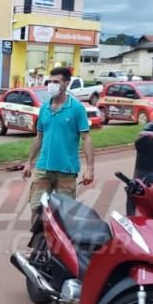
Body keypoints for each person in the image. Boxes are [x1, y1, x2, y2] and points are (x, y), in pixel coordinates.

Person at [23, 67, 94, 222]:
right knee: (37, 208)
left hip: (66, 171)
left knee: (65, 214)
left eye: (56, 82)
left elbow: (86, 138)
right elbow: (39, 137)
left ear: (66, 84)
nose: (51, 85)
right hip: (43, 168)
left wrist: (89, 168)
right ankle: (39, 238)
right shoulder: (44, 108)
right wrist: (29, 162)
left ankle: (61, 238)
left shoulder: (77, 109)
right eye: (50, 81)